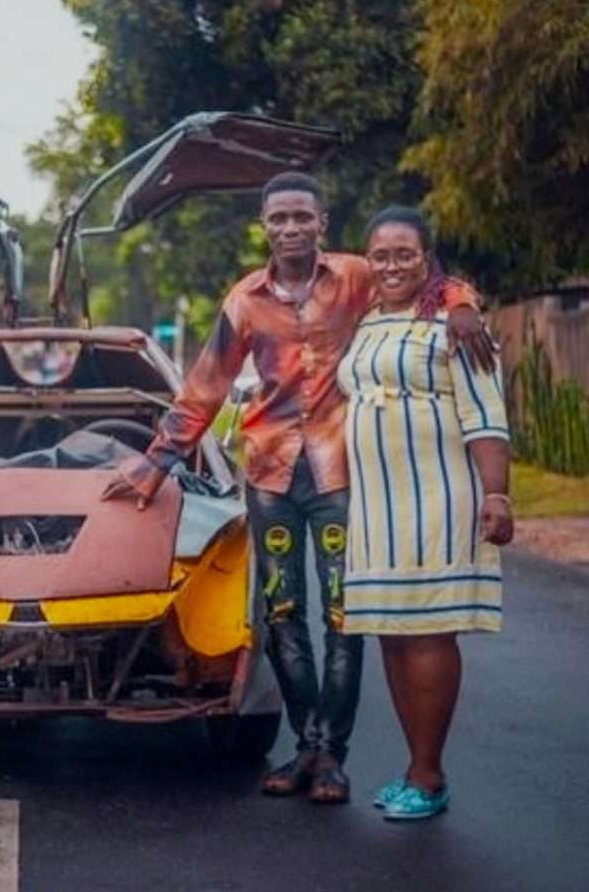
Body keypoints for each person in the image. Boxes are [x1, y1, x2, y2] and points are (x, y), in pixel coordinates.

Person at [103, 172, 494, 804]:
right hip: (270, 475)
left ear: (322, 223)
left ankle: (332, 757)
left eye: (302, 217)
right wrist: (157, 462)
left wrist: (462, 304)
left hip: (343, 473)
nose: (291, 228)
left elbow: (422, 276)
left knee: (345, 617)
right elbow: (204, 386)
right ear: (265, 225)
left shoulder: (356, 277)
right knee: (283, 617)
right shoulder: (244, 301)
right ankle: (306, 746)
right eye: (279, 218)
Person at [338, 205, 511, 821]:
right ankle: (415, 768)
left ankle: (428, 773)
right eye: (380, 255)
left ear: (426, 258)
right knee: (391, 631)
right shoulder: (363, 320)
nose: (391, 265)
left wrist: (496, 494)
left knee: (430, 631)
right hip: (376, 508)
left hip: (438, 499)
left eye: (404, 254)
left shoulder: (455, 324)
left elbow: (486, 416)